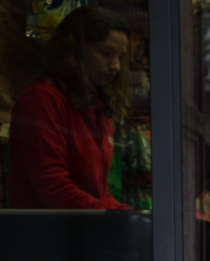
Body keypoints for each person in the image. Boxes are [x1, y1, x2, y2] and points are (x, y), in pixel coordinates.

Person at [7, 7, 131, 209]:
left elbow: (98, 190)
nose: (116, 66)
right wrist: (114, 215)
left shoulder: (96, 106)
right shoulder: (43, 99)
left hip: (77, 231)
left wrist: (123, 215)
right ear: (75, 50)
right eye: (106, 53)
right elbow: (52, 186)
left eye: (120, 57)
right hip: (45, 235)